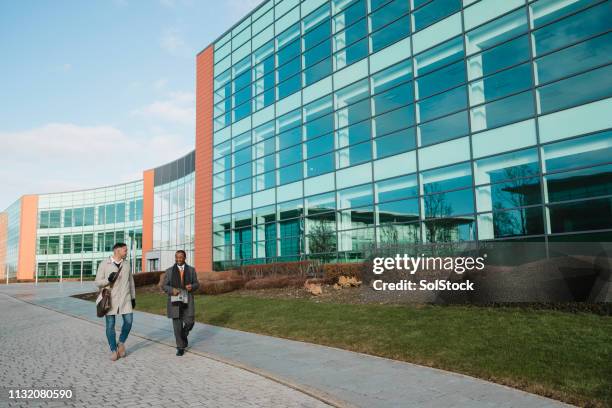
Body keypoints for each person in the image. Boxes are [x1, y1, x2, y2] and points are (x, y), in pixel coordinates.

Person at [95, 242, 136, 361]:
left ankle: (121, 342)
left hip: (125, 298)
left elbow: (131, 282)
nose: (126, 252)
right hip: (110, 299)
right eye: (125, 250)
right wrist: (108, 280)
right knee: (110, 325)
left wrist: (133, 297)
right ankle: (113, 350)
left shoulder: (127, 264)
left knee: (129, 321)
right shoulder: (104, 264)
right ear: (117, 251)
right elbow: (97, 282)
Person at [162, 250, 199, 356]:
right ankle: (180, 347)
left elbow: (197, 284)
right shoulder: (169, 271)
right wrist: (172, 290)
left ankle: (183, 335)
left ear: (185, 258)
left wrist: (192, 286)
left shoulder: (191, 270)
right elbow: (164, 286)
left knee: (190, 321)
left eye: (180, 257)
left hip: (188, 300)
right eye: (176, 257)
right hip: (174, 300)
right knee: (177, 325)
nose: (178, 259)